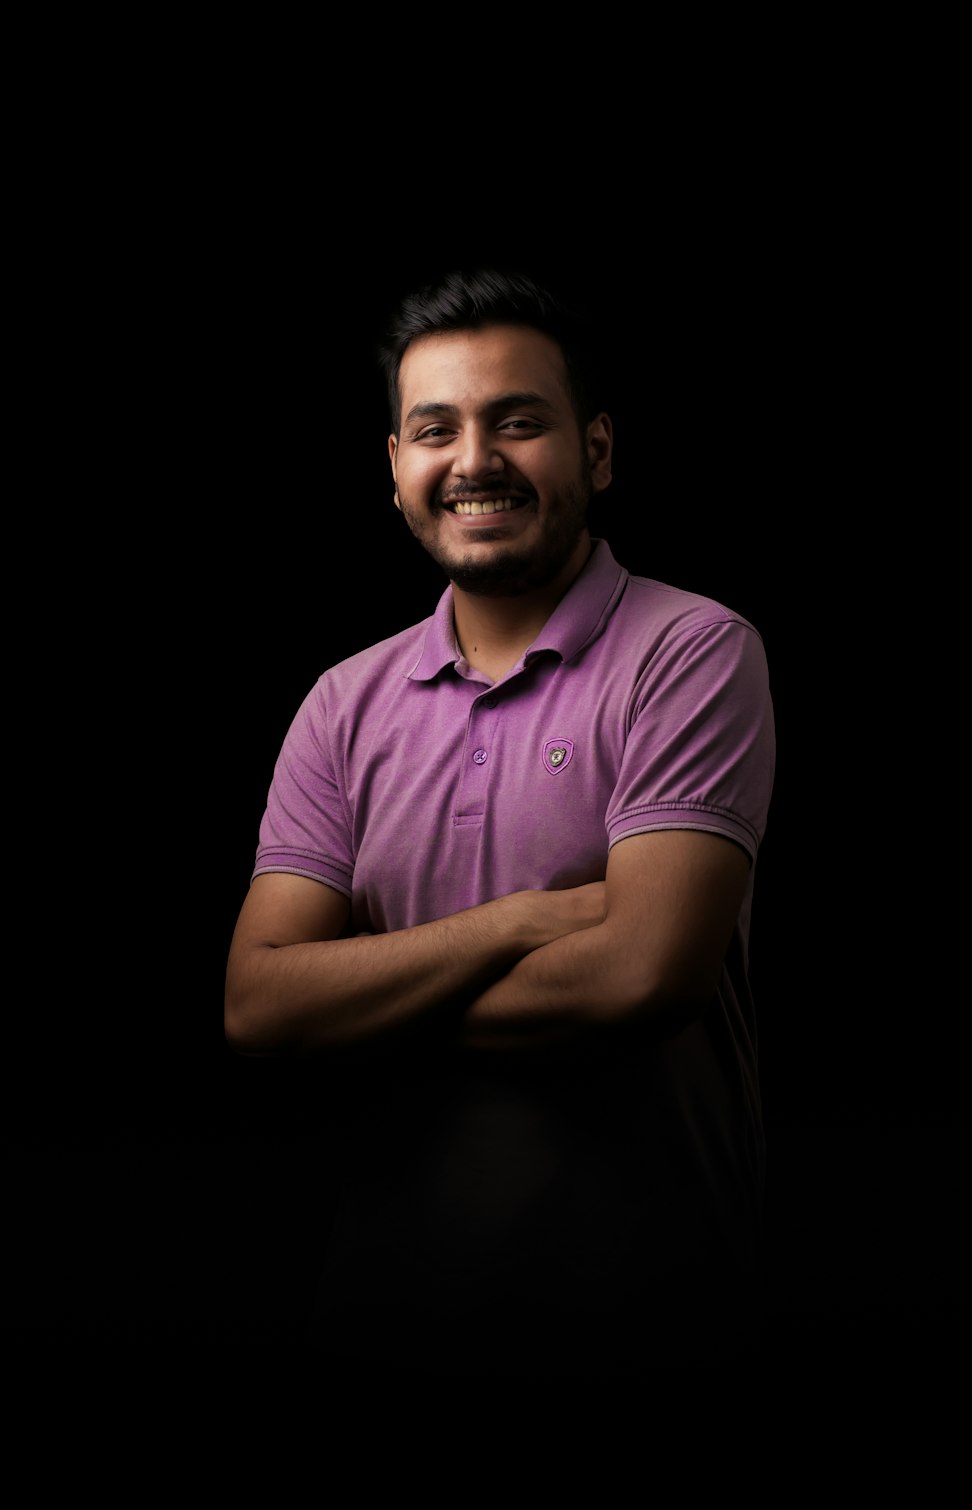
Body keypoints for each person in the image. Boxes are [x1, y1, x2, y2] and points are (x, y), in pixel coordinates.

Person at [224, 265, 776, 1381]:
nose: (474, 460)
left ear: (598, 451)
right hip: (376, 1314)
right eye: (436, 429)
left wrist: (351, 1000)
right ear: (396, 469)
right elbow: (255, 1002)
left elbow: (639, 978)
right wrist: (524, 920)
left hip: (657, 1316)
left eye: (518, 421)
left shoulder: (693, 651)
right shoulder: (343, 702)